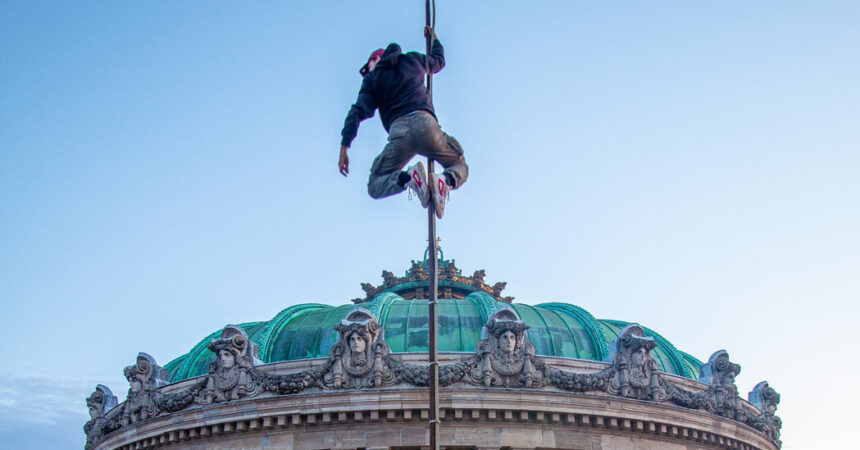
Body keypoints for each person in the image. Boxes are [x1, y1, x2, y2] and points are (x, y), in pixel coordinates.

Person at [339, 27, 468, 219]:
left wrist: (344, 146)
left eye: (369, 65)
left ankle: (408, 178)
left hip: (399, 134)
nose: (367, 72)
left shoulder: (373, 80)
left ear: (376, 59)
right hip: (427, 126)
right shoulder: (412, 60)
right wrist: (435, 39)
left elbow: (357, 111)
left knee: (375, 184)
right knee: (459, 164)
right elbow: (439, 61)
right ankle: (445, 181)